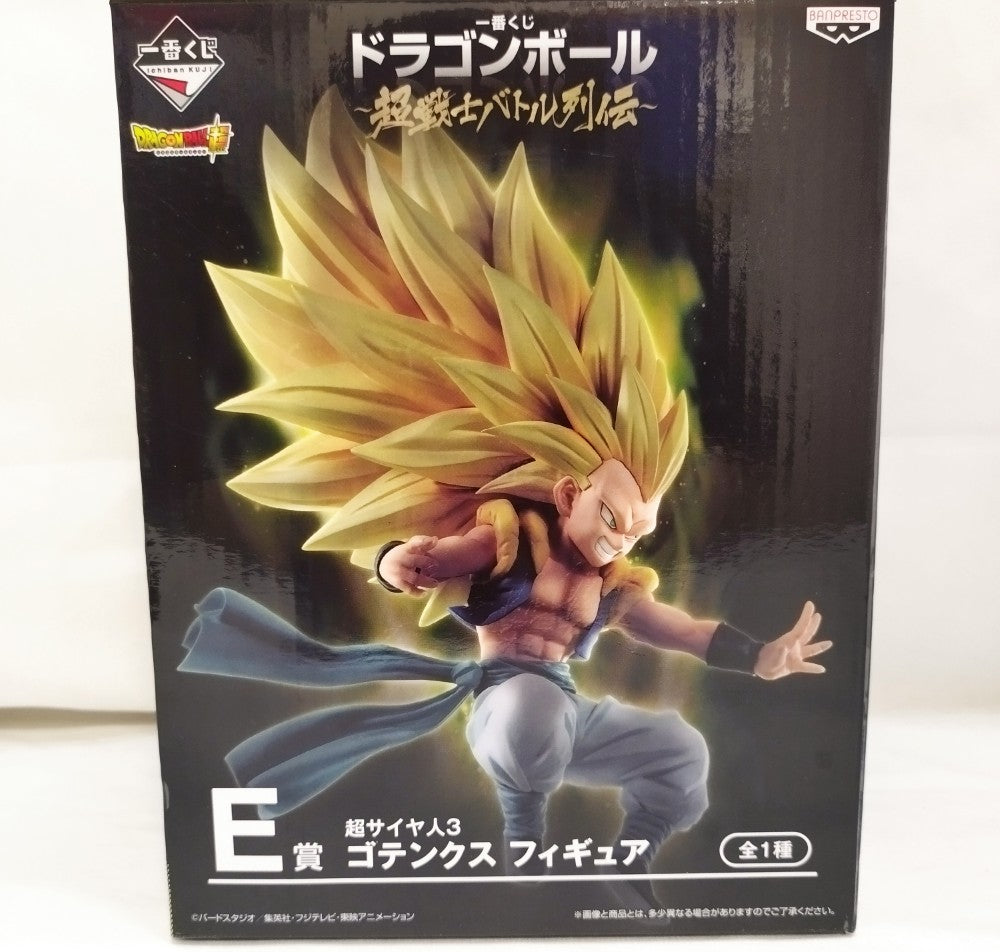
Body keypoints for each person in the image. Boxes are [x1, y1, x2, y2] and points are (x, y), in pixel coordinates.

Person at [180, 88, 830, 894]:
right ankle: (524, 846)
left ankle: (632, 856)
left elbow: (678, 630)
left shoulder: (608, 585)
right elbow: (432, 557)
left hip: (568, 715)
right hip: (505, 711)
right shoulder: (510, 536)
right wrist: (398, 562)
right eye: (612, 516)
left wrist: (759, 656)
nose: (621, 537)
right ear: (568, 492)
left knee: (679, 749)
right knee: (528, 716)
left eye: (637, 527)